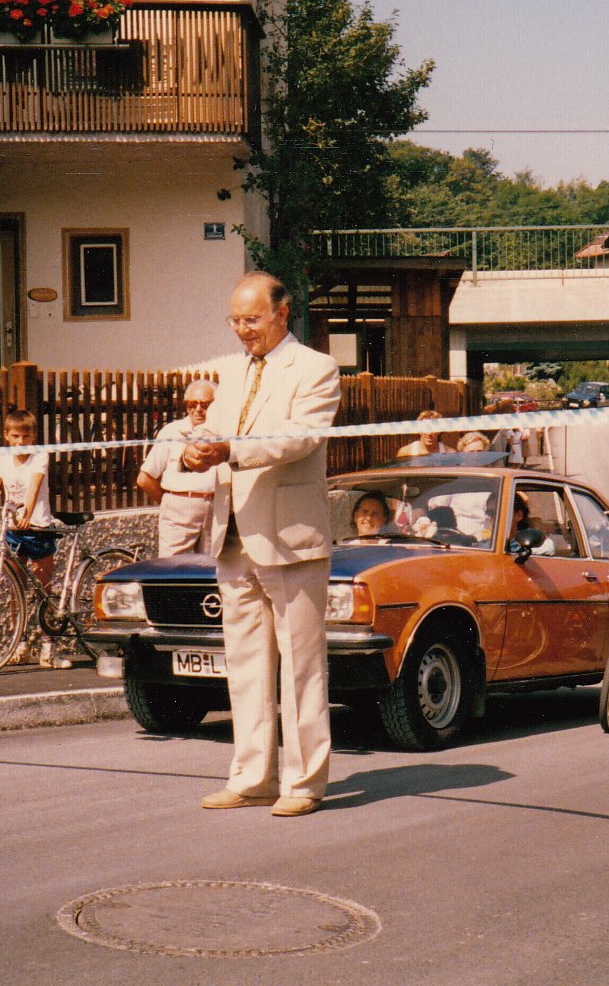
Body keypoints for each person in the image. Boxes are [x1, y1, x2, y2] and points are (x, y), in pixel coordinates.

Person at [180, 272, 342, 818]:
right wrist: (195, 453)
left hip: (290, 539)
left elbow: (302, 437)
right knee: (245, 664)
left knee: (301, 667)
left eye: (251, 319)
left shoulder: (316, 368)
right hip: (232, 537)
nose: (242, 330)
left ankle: (303, 783)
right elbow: (210, 437)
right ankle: (252, 776)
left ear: (282, 312)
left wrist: (229, 450)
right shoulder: (230, 373)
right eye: (235, 320)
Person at [0, 409, 66, 667]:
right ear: (6, 436)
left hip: (37, 526)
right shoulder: (3, 457)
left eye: (26, 436)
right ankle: (22, 645)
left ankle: (49, 648)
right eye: (15, 436)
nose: (20, 441)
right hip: (14, 530)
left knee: (43, 590)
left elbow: (34, 486)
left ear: (33, 436)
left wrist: (27, 512)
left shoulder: (39, 456)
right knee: (16, 589)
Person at [135, 379, 219, 557]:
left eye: (205, 404)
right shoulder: (172, 432)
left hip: (216, 511)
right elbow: (144, 478)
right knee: (172, 568)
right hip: (179, 509)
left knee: (213, 570)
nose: (198, 409)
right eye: (192, 404)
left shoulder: (223, 432)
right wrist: (171, 501)